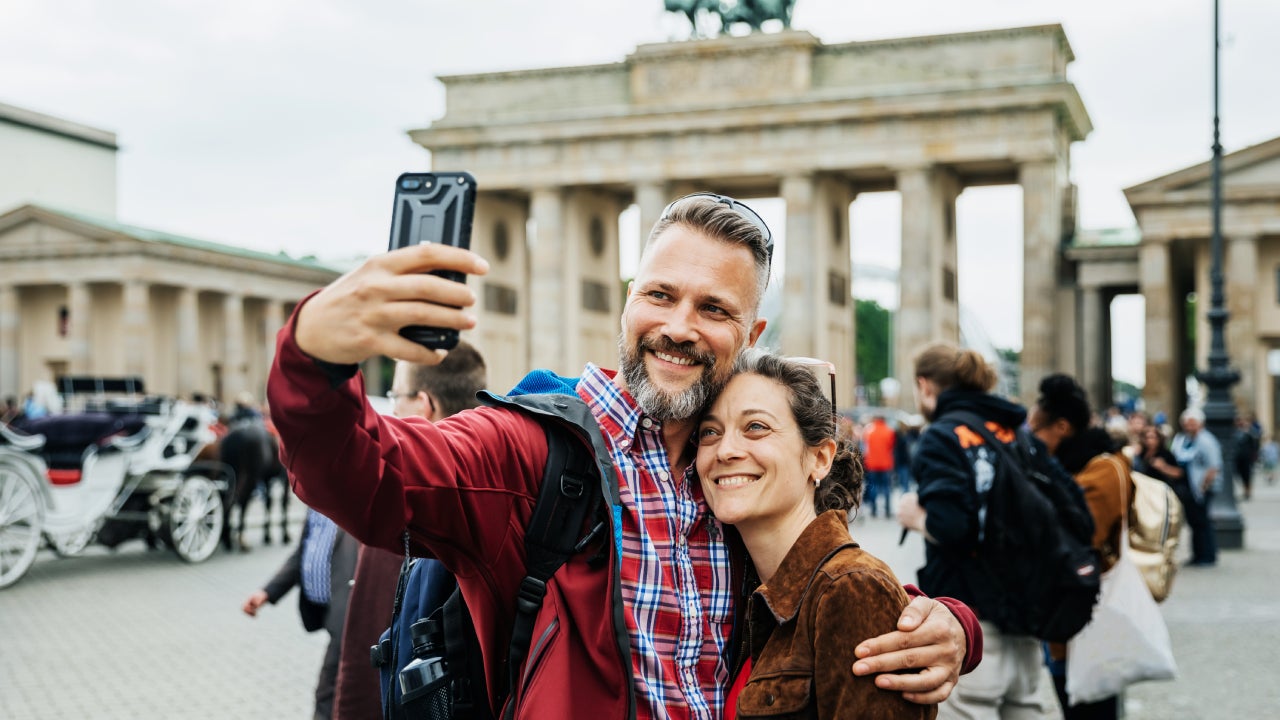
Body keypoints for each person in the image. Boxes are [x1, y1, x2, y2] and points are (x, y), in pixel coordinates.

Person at [268, 193, 981, 719]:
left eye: (714, 308)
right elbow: (368, 474)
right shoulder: (529, 452)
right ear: (627, 301)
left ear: (751, 331)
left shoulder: (732, 469)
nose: (677, 327)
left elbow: (816, 581)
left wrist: (948, 622)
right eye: (660, 295)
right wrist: (314, 357)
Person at [697, 350, 935, 719]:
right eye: (709, 432)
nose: (726, 450)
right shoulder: (739, 590)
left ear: (820, 458)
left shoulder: (849, 590)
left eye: (756, 427)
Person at [895, 342, 1059, 720]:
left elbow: (954, 528)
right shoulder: (1015, 432)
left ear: (925, 386)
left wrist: (916, 516)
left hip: (971, 617)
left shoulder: (942, 435)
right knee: (1027, 707)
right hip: (1027, 611)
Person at [332, 343, 489, 718]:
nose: (392, 407)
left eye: (394, 395)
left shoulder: (404, 504)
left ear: (423, 404)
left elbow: (363, 648)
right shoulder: (502, 487)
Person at [1028, 374, 1132, 720]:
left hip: (1089, 618)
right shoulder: (1076, 466)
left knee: (1091, 711)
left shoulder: (1102, 470)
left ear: (1062, 427)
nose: (1032, 442)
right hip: (1067, 616)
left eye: (1037, 432)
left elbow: (1077, 536)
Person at [242, 508, 357, 720]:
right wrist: (267, 592)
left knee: (329, 690)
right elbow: (303, 553)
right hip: (324, 612)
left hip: (348, 615)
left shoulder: (351, 501)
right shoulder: (315, 505)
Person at [1171, 408, 1221, 567]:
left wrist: (1203, 487)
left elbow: (1213, 467)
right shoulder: (1183, 440)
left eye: (1192, 423)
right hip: (1188, 487)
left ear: (1200, 423)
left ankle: (1207, 555)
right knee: (1194, 522)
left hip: (1201, 487)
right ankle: (1198, 554)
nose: (1189, 426)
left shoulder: (1207, 441)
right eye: (1186, 423)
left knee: (1203, 522)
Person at [862, 414, 897, 518]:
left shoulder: (869, 431)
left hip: (872, 464)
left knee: (873, 487)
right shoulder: (889, 431)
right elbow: (891, 446)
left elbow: (865, 446)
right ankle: (887, 510)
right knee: (886, 487)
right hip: (886, 464)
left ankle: (874, 510)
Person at [1233, 414, 1259, 501]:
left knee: (1247, 475)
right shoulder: (1235, 432)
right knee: (1239, 474)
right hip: (1238, 457)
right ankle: (1245, 490)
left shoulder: (1250, 432)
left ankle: (1247, 491)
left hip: (1247, 457)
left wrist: (1254, 456)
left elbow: (1255, 444)